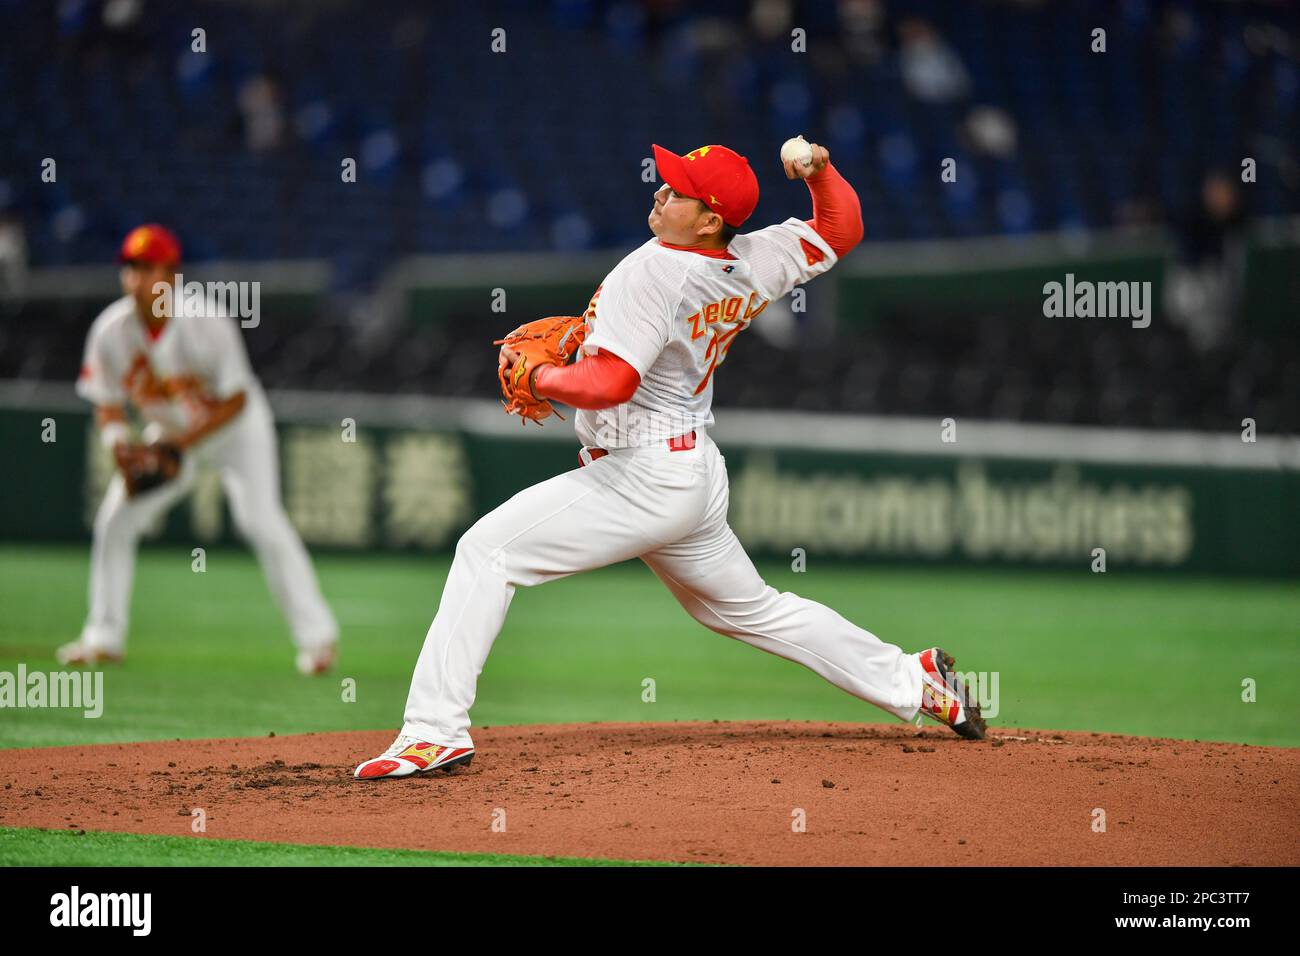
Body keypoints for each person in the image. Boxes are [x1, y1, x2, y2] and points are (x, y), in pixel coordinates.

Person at [354, 142, 985, 780]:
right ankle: (913, 677)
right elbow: (839, 228)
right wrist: (821, 171)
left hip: (644, 474)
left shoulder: (653, 271)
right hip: (689, 470)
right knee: (754, 609)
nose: (660, 191)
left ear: (710, 219)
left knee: (487, 551)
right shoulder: (755, 256)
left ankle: (433, 732)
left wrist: (543, 376)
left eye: (678, 190)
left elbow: (609, 384)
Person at [58, 223, 338, 674]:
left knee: (259, 521)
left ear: (173, 275)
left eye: (150, 267)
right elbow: (106, 403)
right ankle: (104, 636)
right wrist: (120, 447)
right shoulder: (109, 331)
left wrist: (177, 445)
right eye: (131, 267)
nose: (138, 277)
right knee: (115, 519)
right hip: (170, 435)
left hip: (235, 431)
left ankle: (317, 639)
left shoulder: (205, 321)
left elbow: (237, 398)